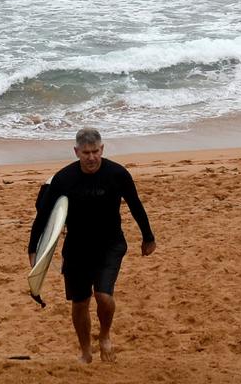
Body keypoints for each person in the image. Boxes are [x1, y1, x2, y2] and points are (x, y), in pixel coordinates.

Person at [28, 127, 156, 364]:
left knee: (103, 295)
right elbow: (44, 215)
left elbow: (135, 205)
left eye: (95, 151)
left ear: (102, 149)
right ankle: (85, 350)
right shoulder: (63, 179)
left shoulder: (117, 174)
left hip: (111, 244)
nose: (91, 157)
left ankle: (105, 336)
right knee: (80, 302)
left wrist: (148, 237)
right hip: (77, 247)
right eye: (86, 152)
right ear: (76, 152)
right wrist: (33, 250)